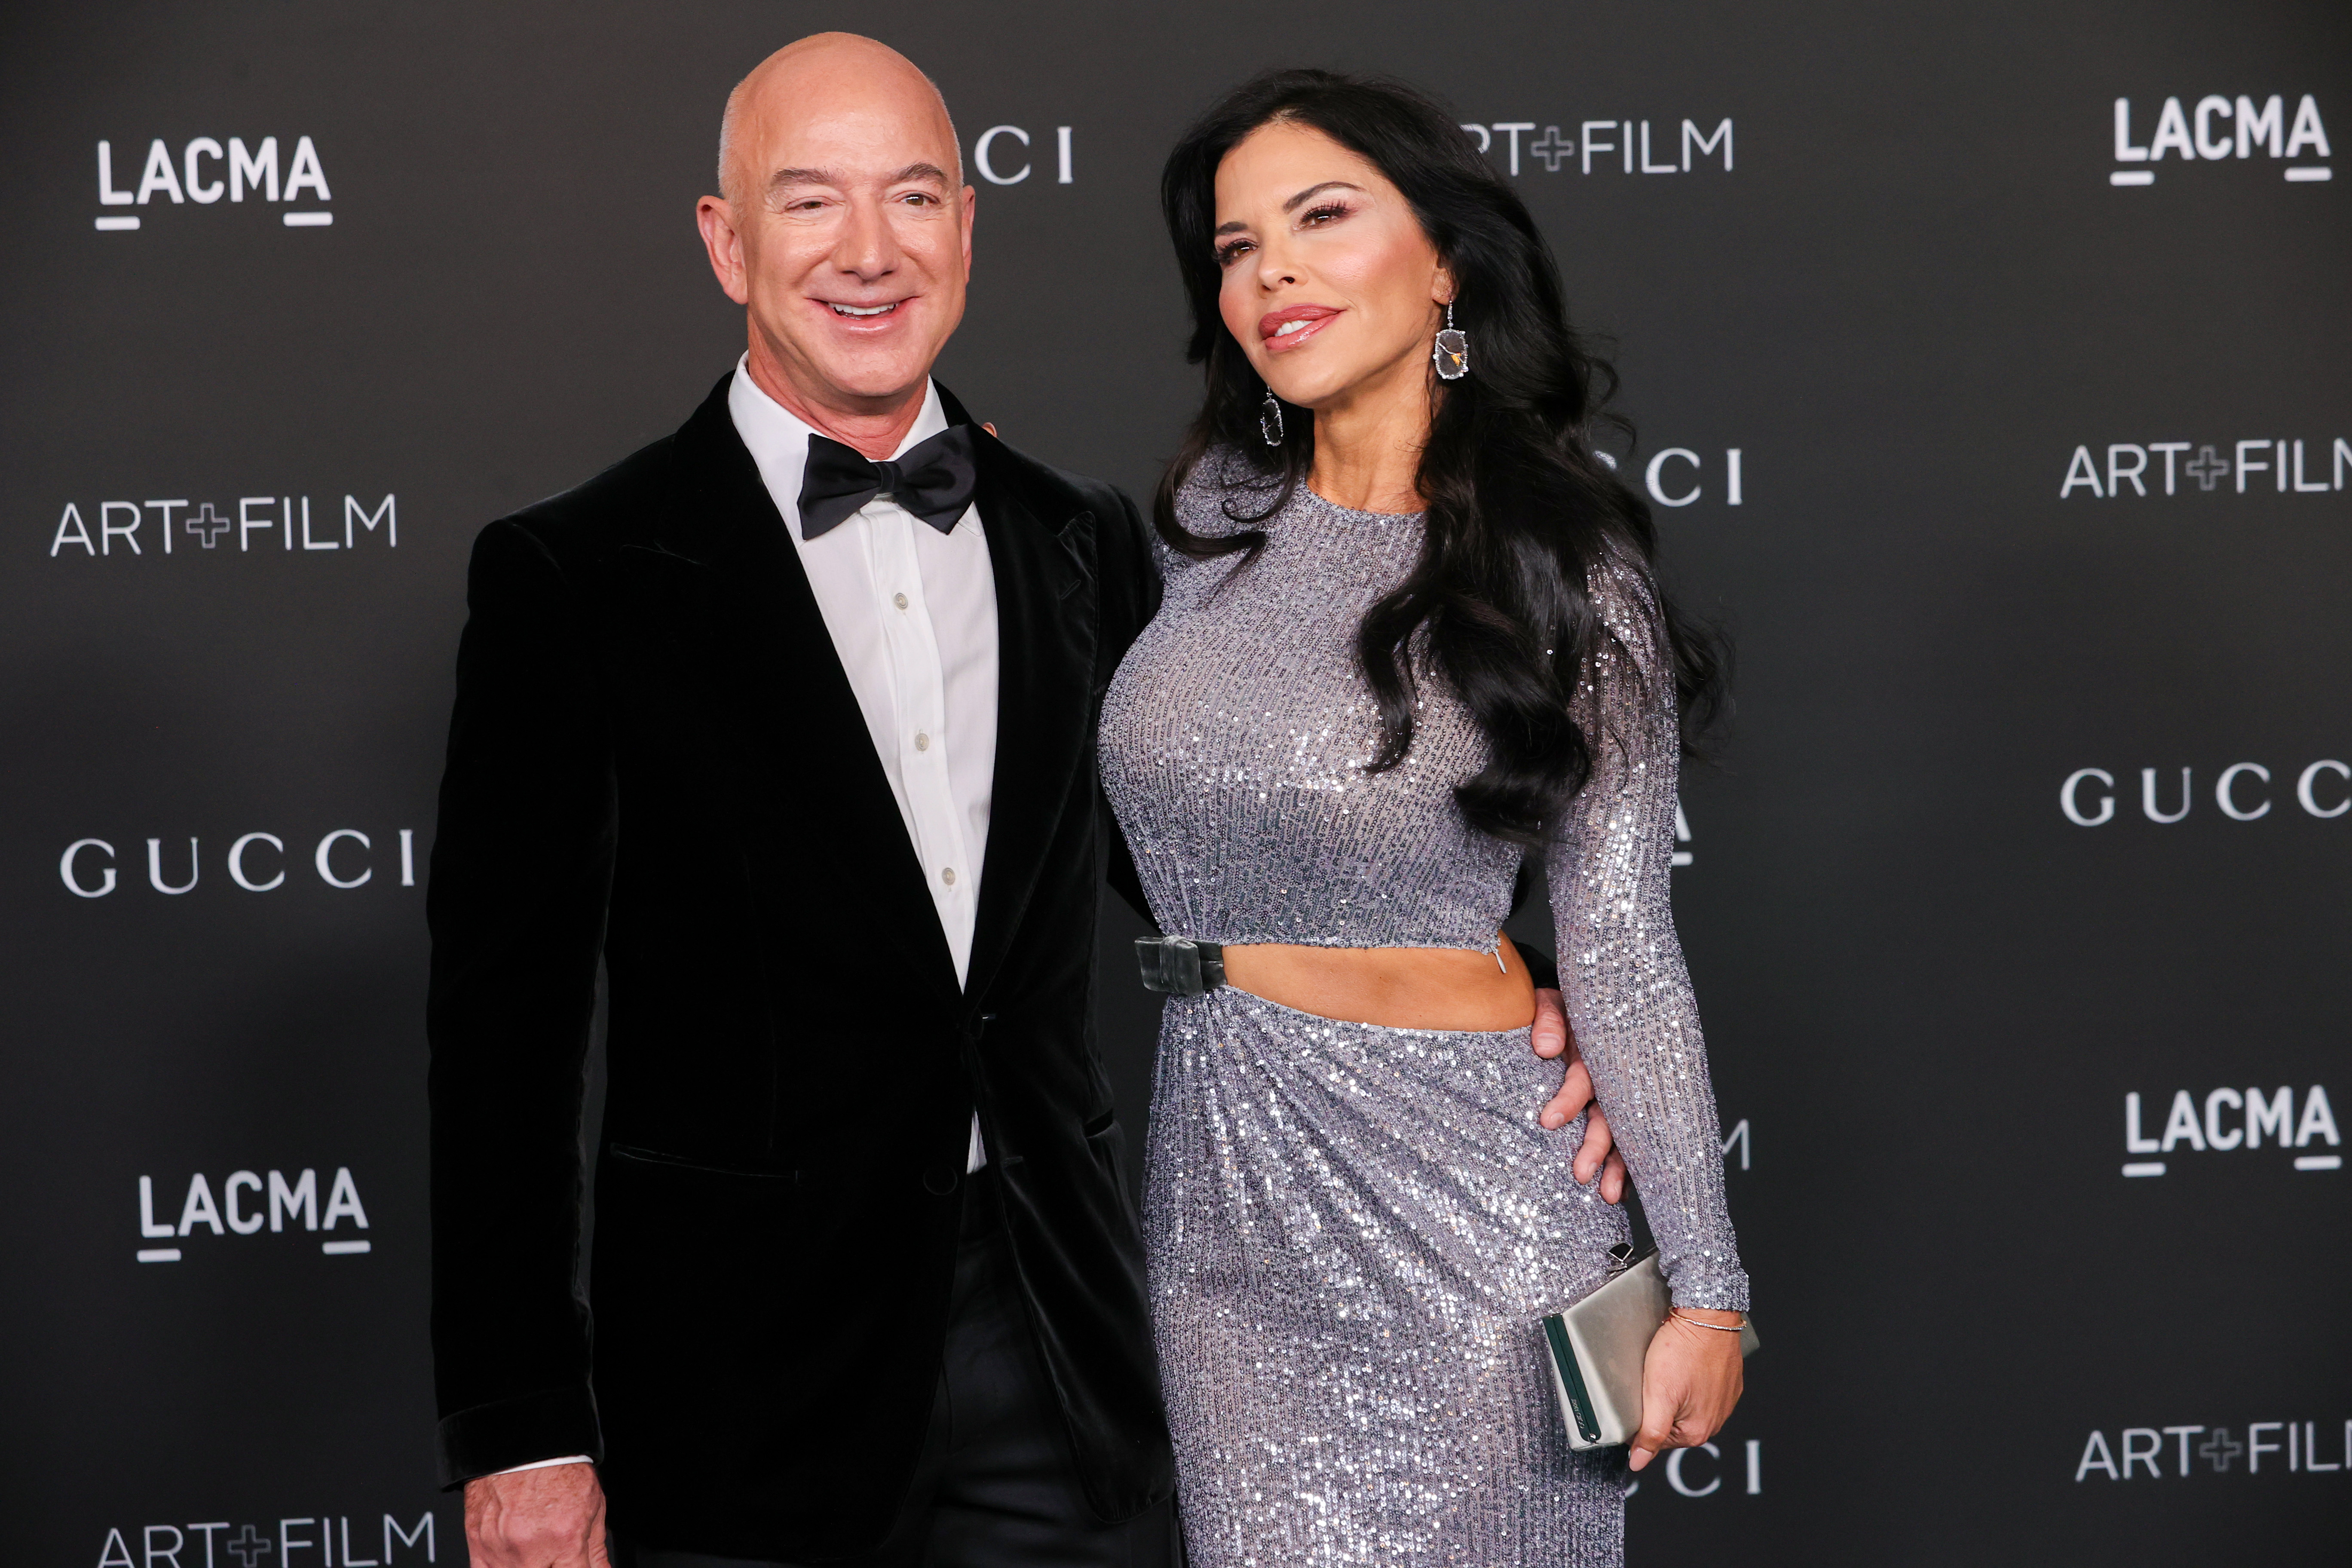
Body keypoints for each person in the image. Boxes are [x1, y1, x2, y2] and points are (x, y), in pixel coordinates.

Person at [427, 34, 1622, 1568]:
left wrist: (1507, 996)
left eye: (915, 197)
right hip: (739, 1384)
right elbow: (502, 1046)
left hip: (1058, 1348)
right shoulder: (577, 574)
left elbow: (1229, 862)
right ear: (728, 243)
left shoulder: (1084, 539)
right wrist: (522, 1428)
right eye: (811, 201)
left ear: (968, 230)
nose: (871, 251)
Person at [1097, 69, 1750, 1565]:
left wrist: (1710, 1297)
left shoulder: (1564, 570)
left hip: (1472, 1219)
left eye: (1322, 217)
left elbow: (1623, 942)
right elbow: (1185, 828)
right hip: (1223, 1207)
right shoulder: (1215, 514)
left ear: (1445, 257)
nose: (1274, 272)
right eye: (1238, 247)